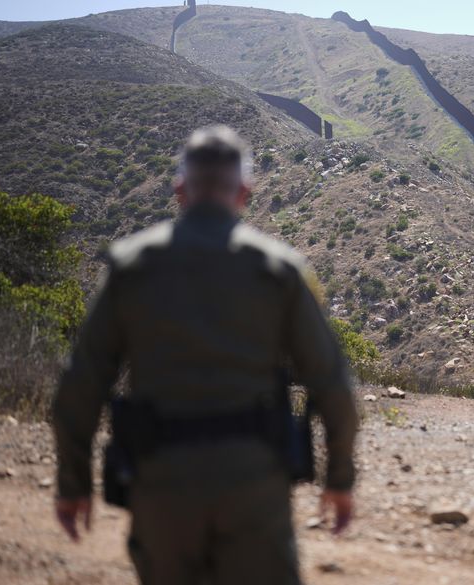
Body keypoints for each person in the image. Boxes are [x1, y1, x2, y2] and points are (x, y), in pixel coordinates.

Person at [52, 125, 358, 584]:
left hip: (161, 482)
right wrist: (339, 480)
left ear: (179, 190)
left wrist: (73, 485)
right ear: (245, 194)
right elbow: (332, 384)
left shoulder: (132, 266)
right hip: (253, 485)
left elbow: (81, 386)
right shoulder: (278, 271)